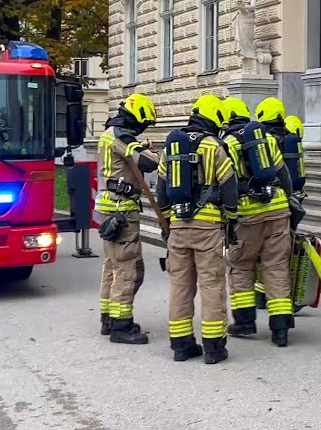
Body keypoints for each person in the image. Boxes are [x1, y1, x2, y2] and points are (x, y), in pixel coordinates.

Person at [158, 95, 238, 364]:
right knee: (211, 284)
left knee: (180, 285)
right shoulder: (214, 146)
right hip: (208, 228)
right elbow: (229, 186)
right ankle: (214, 348)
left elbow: (161, 191)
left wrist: (168, 222)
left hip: (178, 226)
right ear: (214, 117)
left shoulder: (171, 148)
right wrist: (232, 219)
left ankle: (181, 346)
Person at [219, 97, 297, 346]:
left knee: (241, 265)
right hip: (277, 209)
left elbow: (225, 183)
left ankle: (244, 322)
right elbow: (283, 174)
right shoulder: (266, 138)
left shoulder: (226, 144)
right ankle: (281, 328)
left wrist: (228, 216)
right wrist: (289, 202)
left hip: (247, 214)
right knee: (276, 267)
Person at [94, 93, 159, 344]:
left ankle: (108, 318)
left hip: (108, 208)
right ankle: (122, 325)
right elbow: (146, 162)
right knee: (128, 268)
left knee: (112, 266)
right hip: (122, 211)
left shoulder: (108, 133)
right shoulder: (121, 136)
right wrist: (157, 156)